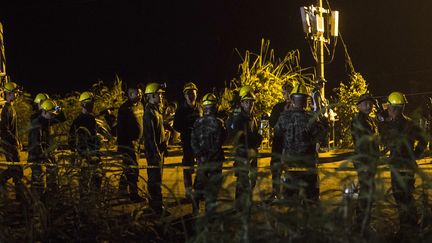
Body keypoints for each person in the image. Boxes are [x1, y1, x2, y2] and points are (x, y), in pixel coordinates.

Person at [380, 91, 427, 235]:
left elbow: (384, 141)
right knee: (407, 195)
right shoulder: (409, 123)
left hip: (399, 166)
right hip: (408, 164)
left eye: (389, 107)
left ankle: (407, 228)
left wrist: (382, 123)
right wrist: (416, 154)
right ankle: (412, 225)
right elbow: (424, 139)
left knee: (401, 197)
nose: (387, 109)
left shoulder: (394, 125)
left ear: (394, 108)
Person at [275, 83, 324, 204]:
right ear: (306, 100)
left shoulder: (283, 117)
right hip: (308, 167)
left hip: (290, 166)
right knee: (310, 203)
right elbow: (320, 135)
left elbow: (277, 134)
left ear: (292, 99)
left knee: (290, 203)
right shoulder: (311, 117)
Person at [191, 93, 226, 215]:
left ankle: (195, 211)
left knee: (199, 185)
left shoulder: (197, 122)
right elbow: (220, 141)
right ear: (215, 107)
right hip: (214, 161)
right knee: (213, 187)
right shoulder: (219, 123)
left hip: (201, 161)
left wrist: (199, 155)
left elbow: (193, 141)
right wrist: (210, 156)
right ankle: (210, 213)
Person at [351, 93, 380, 232]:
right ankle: (361, 224)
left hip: (370, 160)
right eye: (365, 103)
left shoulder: (370, 120)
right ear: (359, 105)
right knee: (366, 192)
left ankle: (364, 223)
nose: (369, 106)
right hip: (364, 161)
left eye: (371, 103)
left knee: (368, 191)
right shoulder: (358, 120)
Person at [229, 86, 262, 209]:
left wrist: (257, 138)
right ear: (242, 103)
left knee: (252, 179)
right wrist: (255, 139)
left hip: (252, 153)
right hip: (243, 154)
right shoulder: (239, 119)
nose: (250, 104)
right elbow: (239, 138)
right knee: (243, 181)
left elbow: (254, 133)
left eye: (251, 102)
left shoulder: (252, 117)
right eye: (247, 102)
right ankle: (240, 205)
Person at [28, 99, 66, 200]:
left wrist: (56, 107)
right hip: (37, 159)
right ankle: (36, 209)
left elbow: (62, 117)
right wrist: (46, 158)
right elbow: (36, 146)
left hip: (43, 158)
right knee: (39, 185)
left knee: (47, 184)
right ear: (44, 112)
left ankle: (43, 205)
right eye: (51, 114)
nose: (53, 116)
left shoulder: (46, 120)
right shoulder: (37, 124)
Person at [68, 91, 102, 196]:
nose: (92, 105)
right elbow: (71, 139)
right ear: (84, 104)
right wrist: (75, 152)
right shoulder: (78, 121)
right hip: (84, 153)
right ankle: (85, 203)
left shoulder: (94, 119)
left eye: (92, 103)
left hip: (95, 153)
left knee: (97, 177)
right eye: (90, 103)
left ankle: (94, 199)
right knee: (85, 178)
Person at [173, 82, 202, 200]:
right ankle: (189, 193)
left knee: (201, 167)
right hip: (187, 143)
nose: (191, 95)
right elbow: (176, 126)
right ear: (184, 95)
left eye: (193, 93)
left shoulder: (200, 108)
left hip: (200, 143)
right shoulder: (180, 110)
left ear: (196, 93)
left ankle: (198, 190)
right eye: (188, 93)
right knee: (188, 168)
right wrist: (187, 128)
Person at [117, 85, 145, 202]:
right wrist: (122, 147)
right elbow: (120, 129)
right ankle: (134, 194)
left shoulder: (140, 105)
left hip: (137, 143)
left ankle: (122, 189)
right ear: (129, 94)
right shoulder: (124, 109)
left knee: (128, 167)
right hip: (128, 144)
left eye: (139, 93)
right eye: (135, 93)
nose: (139, 95)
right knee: (133, 169)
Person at [143, 82, 168, 215]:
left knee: (158, 180)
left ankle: (158, 206)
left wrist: (164, 146)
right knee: (154, 180)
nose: (161, 97)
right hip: (154, 154)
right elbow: (150, 137)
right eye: (159, 94)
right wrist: (156, 152)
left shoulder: (156, 110)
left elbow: (159, 132)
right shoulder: (149, 113)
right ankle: (155, 208)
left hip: (159, 151)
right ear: (152, 95)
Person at [0, 82, 24, 203]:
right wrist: (14, 140)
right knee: (17, 170)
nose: (17, 94)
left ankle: (20, 197)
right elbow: (4, 129)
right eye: (15, 92)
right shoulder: (6, 109)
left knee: (16, 170)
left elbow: (12, 129)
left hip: (12, 143)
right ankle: (20, 197)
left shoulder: (11, 107)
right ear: (9, 94)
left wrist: (17, 140)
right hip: (9, 144)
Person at [268, 83, 292, 200]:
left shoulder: (297, 107)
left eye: (288, 93)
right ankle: (275, 192)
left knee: (290, 167)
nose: (286, 95)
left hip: (292, 143)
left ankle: (288, 193)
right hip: (278, 141)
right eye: (284, 93)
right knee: (276, 167)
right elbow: (271, 123)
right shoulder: (277, 107)